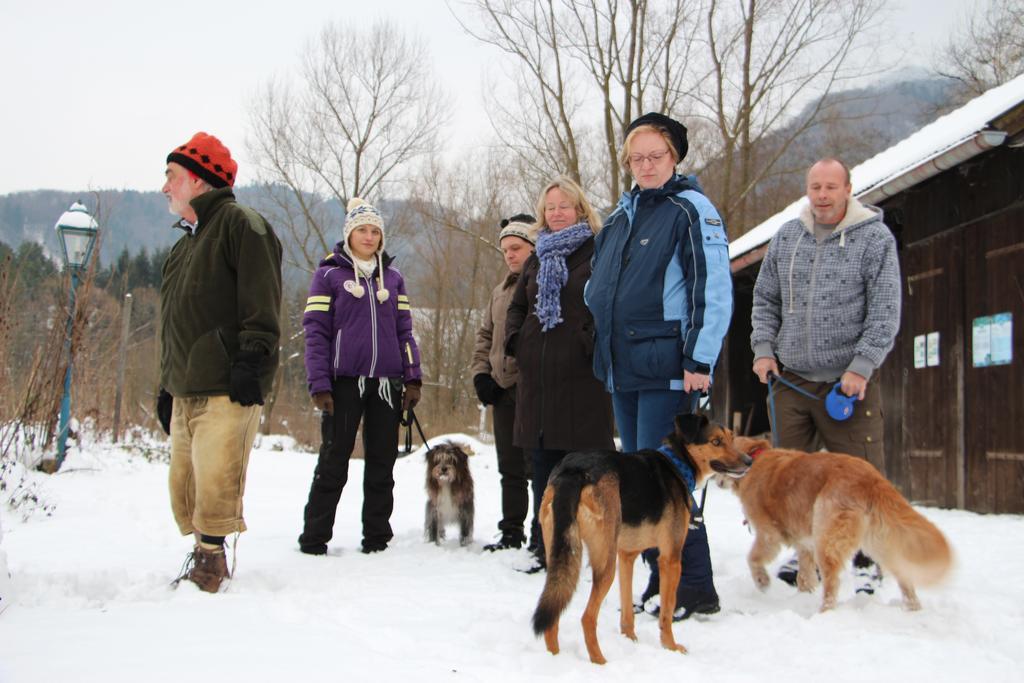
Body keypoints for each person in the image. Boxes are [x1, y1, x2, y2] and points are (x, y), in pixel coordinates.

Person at [586, 112, 732, 619]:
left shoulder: (691, 210)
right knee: (640, 484)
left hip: (670, 367)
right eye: (637, 157)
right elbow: (598, 287)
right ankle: (658, 581)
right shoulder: (622, 216)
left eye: (656, 156)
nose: (646, 165)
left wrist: (699, 357)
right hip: (624, 369)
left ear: (674, 158)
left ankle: (693, 588)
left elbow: (711, 289)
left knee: (670, 482)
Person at [751, 157, 901, 592]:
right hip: (791, 381)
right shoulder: (787, 237)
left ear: (848, 189)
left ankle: (871, 560)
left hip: (845, 385)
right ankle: (804, 560)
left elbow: (885, 310)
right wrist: (763, 350)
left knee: (860, 475)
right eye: (815, 186)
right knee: (791, 480)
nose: (822, 195)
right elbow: (764, 299)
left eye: (831, 187)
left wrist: (861, 366)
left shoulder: (874, 239)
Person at [158, 132, 283, 593]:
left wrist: (252, 361)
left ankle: (211, 565)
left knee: (216, 482)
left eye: (171, 176)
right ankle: (200, 554)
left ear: (197, 178)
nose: (165, 187)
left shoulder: (242, 225)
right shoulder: (184, 245)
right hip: (186, 384)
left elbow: (261, 301)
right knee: (184, 486)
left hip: (228, 382)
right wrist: (165, 384)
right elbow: (176, 321)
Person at [298, 197, 422, 556]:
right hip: (342, 383)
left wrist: (412, 378)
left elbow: (405, 331)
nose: (369, 237)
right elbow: (315, 331)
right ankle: (314, 538)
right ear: (349, 234)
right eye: (362, 230)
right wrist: (319, 383)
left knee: (382, 463)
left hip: (387, 384)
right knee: (334, 460)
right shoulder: (328, 275)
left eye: (375, 231)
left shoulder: (394, 279)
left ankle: (378, 538)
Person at [505, 177, 615, 570]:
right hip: (538, 381)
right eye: (549, 207)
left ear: (581, 210)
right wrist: (518, 341)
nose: (555, 213)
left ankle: (587, 543)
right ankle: (545, 544)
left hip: (582, 380)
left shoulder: (598, 251)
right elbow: (518, 307)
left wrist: (589, 339)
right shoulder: (536, 258)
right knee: (543, 470)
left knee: (585, 469)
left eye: (563, 206)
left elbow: (608, 302)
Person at [472, 214, 537, 552]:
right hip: (501, 390)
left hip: (534, 391)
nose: (510, 255)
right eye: (505, 250)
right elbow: (485, 336)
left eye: (517, 248)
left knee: (539, 468)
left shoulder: (542, 283)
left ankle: (545, 534)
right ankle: (511, 531)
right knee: (509, 468)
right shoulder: (499, 291)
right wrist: (481, 375)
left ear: (533, 247)